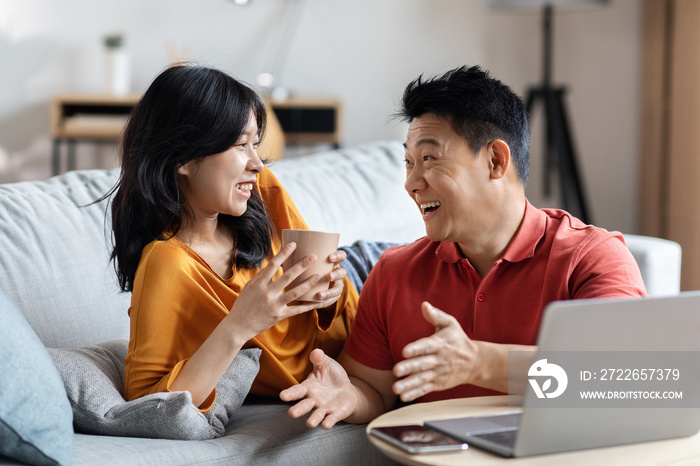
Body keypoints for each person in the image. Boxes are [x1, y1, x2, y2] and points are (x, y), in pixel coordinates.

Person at [280, 65, 647, 428]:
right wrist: (349, 396)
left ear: (496, 161)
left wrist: (478, 362)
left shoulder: (592, 257)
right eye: (408, 163)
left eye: (429, 159)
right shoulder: (394, 271)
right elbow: (372, 387)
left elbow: (616, 380)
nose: (411, 183)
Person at [108, 64, 358, 411]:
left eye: (255, 144)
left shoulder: (263, 191)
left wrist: (332, 292)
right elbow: (146, 402)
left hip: (362, 275)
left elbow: (326, 296)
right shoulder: (168, 263)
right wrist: (240, 324)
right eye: (241, 145)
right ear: (183, 157)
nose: (257, 163)